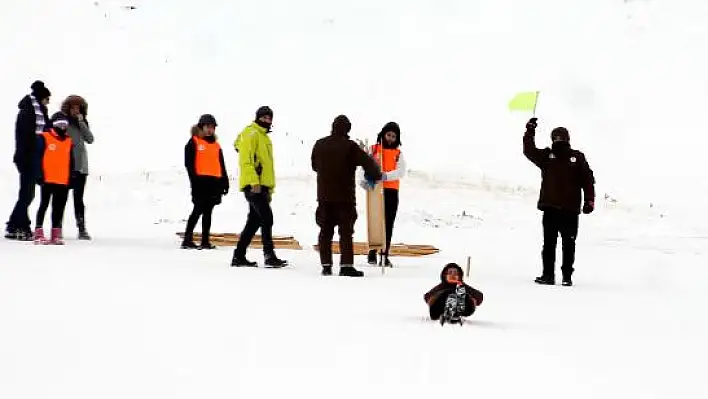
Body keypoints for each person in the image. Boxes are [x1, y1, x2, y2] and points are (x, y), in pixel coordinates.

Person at [523, 117, 596, 286]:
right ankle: (563, 277)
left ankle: (554, 276)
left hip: (557, 209)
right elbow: (588, 181)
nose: (558, 141)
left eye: (559, 138)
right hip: (564, 210)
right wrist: (589, 201)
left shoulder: (560, 157)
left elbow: (587, 180)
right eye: (557, 138)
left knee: (554, 244)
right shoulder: (553, 156)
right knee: (565, 244)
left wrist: (530, 131)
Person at [311, 115, 383, 277]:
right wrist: (375, 175)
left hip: (324, 197)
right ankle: (346, 266)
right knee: (345, 232)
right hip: (344, 198)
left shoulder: (320, 144)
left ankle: (326, 265)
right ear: (348, 129)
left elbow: (314, 166)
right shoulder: (350, 147)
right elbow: (368, 163)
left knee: (325, 231)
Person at [230, 106, 287, 268]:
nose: (267, 121)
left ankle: (238, 256)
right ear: (258, 118)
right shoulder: (251, 133)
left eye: (269, 118)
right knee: (267, 218)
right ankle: (269, 256)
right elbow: (246, 161)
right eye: (264, 118)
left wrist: (268, 188)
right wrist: (254, 183)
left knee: (254, 222)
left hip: (262, 186)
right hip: (254, 186)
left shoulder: (264, 137)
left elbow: (266, 165)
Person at [5, 81, 51, 240]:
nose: (48, 102)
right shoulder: (27, 112)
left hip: (35, 157)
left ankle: (17, 224)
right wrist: (26, 157)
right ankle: (17, 226)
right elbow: (24, 138)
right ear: (40, 97)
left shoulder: (41, 111)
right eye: (47, 98)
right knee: (27, 193)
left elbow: (48, 130)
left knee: (27, 193)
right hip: (27, 157)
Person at [181, 114, 229, 249]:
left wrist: (225, 182)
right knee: (197, 211)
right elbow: (189, 164)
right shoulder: (193, 142)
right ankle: (187, 240)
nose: (210, 130)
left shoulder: (216, 145)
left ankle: (205, 241)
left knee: (208, 212)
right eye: (207, 127)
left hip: (214, 183)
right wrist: (194, 181)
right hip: (200, 183)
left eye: (212, 127)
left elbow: (221, 164)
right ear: (201, 127)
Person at [366, 121, 406, 267]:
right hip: (375, 190)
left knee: (388, 223)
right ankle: (372, 251)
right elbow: (364, 167)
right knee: (375, 221)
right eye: (388, 135)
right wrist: (365, 180)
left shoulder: (398, 154)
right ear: (383, 134)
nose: (390, 138)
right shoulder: (373, 149)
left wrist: (385, 176)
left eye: (393, 136)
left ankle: (384, 253)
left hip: (391, 191)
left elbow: (400, 172)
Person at [33, 112, 74, 245]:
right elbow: (37, 158)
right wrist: (39, 175)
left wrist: (72, 177)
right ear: (54, 125)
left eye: (65, 125)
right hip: (47, 179)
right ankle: (38, 232)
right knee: (44, 205)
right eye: (59, 124)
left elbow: (71, 161)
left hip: (62, 180)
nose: (62, 127)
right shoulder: (44, 137)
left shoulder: (68, 141)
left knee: (58, 207)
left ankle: (55, 234)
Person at [61, 95, 94, 240]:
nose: (76, 110)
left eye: (78, 107)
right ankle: (57, 227)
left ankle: (82, 228)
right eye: (73, 107)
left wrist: (81, 122)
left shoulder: (82, 122)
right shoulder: (63, 122)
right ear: (68, 108)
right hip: (66, 165)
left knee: (78, 199)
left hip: (81, 166)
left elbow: (90, 139)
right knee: (61, 197)